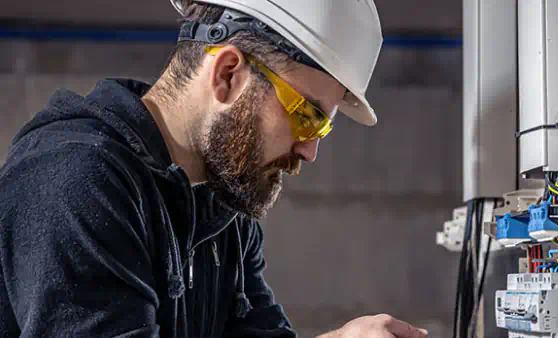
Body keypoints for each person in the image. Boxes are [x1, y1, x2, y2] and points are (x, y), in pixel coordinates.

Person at [0, 0, 428, 337]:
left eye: (323, 127)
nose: (310, 150)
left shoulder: (223, 206)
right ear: (227, 74)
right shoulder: (78, 182)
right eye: (305, 115)